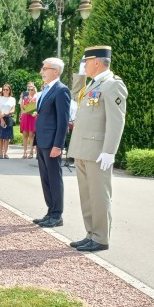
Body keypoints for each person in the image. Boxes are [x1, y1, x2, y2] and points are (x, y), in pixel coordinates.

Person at [67, 46, 128, 252]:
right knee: (87, 195)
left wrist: (110, 151)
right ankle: (90, 233)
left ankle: (101, 238)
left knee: (99, 195)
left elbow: (116, 121)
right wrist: (79, 76)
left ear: (96, 62)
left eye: (86, 62)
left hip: (98, 151)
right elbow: (77, 98)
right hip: (83, 148)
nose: (84, 65)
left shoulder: (112, 85)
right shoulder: (94, 84)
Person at [32, 57, 71, 228]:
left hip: (52, 143)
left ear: (56, 71)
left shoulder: (61, 90)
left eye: (45, 68)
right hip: (42, 141)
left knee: (54, 178)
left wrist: (58, 145)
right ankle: (50, 211)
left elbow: (63, 121)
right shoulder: (46, 89)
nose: (42, 71)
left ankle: (57, 214)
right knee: (45, 178)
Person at [0, 83, 16, 159]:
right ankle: (0, 152)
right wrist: (2, 119)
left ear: (9, 90)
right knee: (0, 137)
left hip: (8, 118)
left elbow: (13, 109)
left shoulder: (12, 99)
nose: (5, 91)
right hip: (0, 118)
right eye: (4, 89)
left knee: (6, 137)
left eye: (7, 89)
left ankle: (5, 153)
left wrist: (7, 113)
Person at [20, 83, 38, 158]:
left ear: (34, 91)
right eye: (29, 89)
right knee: (25, 134)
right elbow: (22, 107)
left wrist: (31, 100)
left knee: (31, 135)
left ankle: (31, 152)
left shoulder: (36, 97)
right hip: (25, 116)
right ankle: (24, 152)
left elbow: (36, 107)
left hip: (32, 117)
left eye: (32, 89)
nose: (30, 91)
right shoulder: (25, 97)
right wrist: (22, 98)